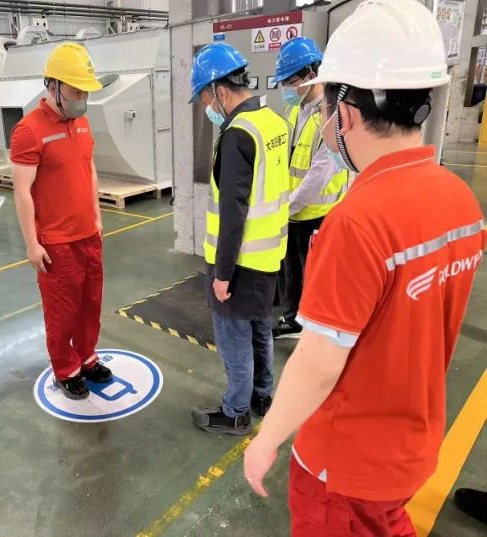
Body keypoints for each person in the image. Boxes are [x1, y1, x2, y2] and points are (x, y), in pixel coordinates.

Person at [243, 1, 485, 535]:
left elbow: (318, 363)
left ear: (346, 114)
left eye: (327, 110)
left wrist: (267, 439)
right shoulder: (461, 200)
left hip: (344, 466)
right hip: (412, 447)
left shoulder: (357, 222)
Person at [188, 42, 291, 435]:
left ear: (219, 90)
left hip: (240, 261)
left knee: (234, 338)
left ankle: (235, 412)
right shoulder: (274, 122)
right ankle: (263, 395)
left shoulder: (237, 134)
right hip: (269, 256)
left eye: (203, 97)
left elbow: (233, 213)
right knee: (260, 327)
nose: (205, 106)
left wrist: (222, 274)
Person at [9, 42, 111, 400]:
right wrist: (31, 244)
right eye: (75, 90)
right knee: (63, 312)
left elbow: (89, 169)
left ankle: (86, 356)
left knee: (90, 305)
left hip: (88, 235)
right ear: (53, 87)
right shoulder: (28, 131)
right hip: (56, 243)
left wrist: (96, 216)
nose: (82, 98)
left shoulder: (81, 122)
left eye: (85, 91)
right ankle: (66, 367)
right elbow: (22, 192)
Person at [272, 37, 349, 340]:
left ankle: (317, 328)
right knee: (292, 270)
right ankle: (293, 319)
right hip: (292, 211)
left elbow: (320, 173)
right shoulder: (294, 110)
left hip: (319, 214)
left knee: (317, 276)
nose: (286, 88)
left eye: (289, 81)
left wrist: (286, 207)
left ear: (310, 75)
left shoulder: (330, 116)